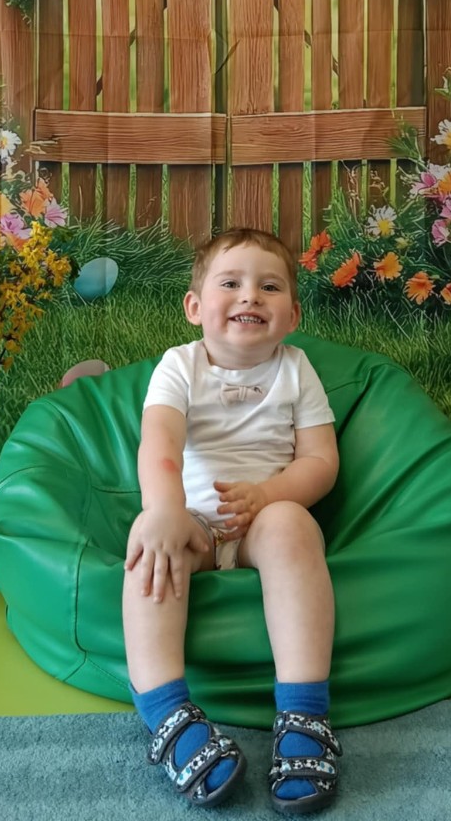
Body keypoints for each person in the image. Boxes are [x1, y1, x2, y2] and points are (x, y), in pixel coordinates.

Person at [123, 227, 342, 814]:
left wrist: (268, 494)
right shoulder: (179, 366)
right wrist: (163, 510)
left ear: (292, 315)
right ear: (195, 307)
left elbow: (321, 462)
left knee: (293, 524)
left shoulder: (296, 368)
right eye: (231, 284)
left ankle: (304, 712)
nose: (250, 296)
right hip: (193, 520)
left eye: (269, 287)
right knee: (148, 547)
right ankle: (166, 710)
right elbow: (159, 443)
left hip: (262, 522)